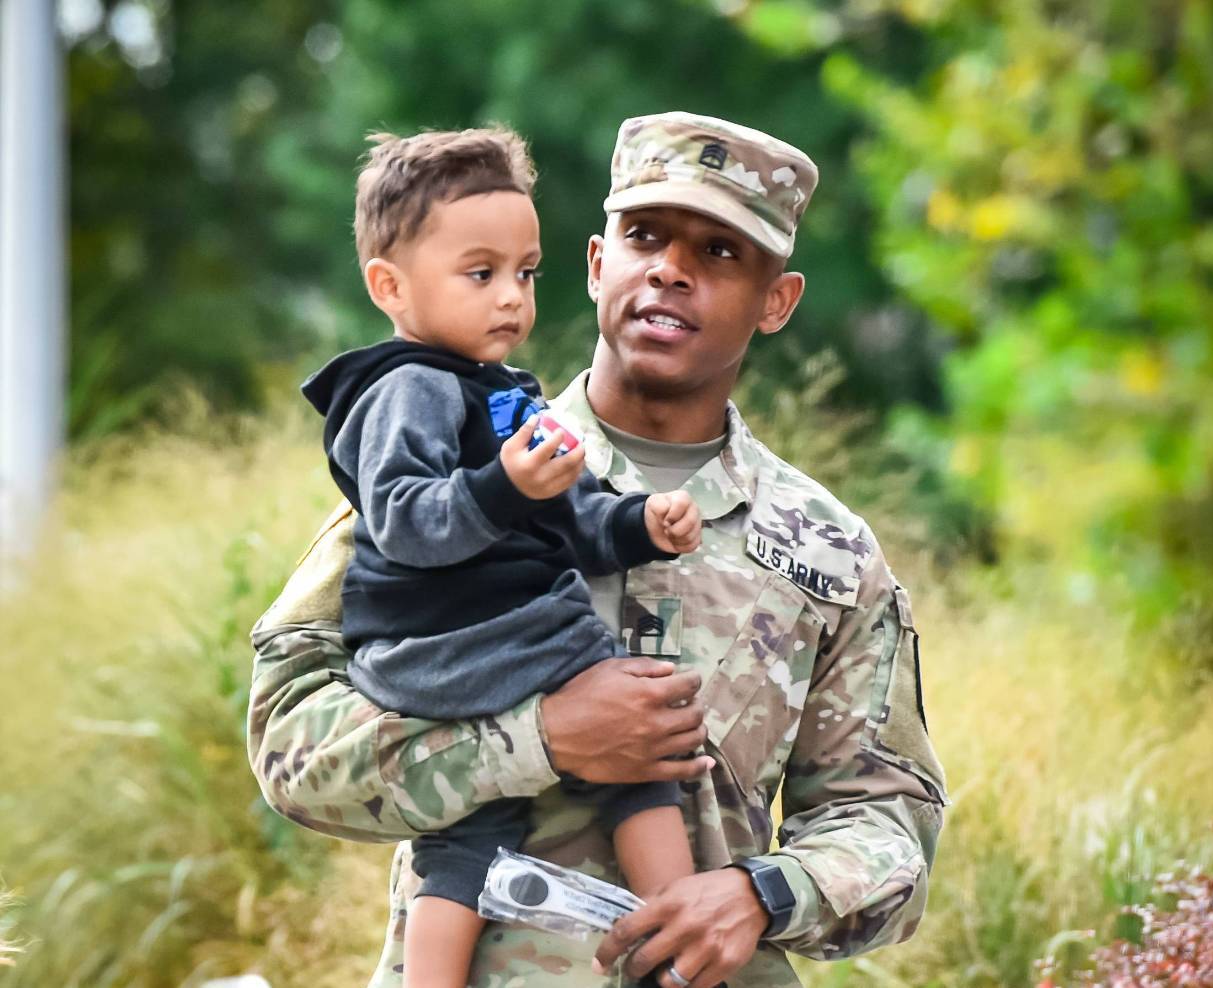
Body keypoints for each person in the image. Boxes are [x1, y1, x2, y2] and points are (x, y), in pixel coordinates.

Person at [248, 111, 948, 988]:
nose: (670, 269)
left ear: (778, 301)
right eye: (645, 235)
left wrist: (761, 893)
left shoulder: (831, 553)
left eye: (721, 252)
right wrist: (536, 739)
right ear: (595, 263)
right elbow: (289, 748)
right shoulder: (451, 468)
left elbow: (889, 820)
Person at [300, 127, 703, 988]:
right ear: (389, 285)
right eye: (480, 274)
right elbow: (405, 521)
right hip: (447, 640)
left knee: (467, 837)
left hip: (451, 654)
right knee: (636, 719)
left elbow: (577, 515)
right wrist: (504, 487)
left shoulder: (501, 394)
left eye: (525, 273)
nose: (510, 299)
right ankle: (682, 926)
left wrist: (641, 526)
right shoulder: (406, 389)